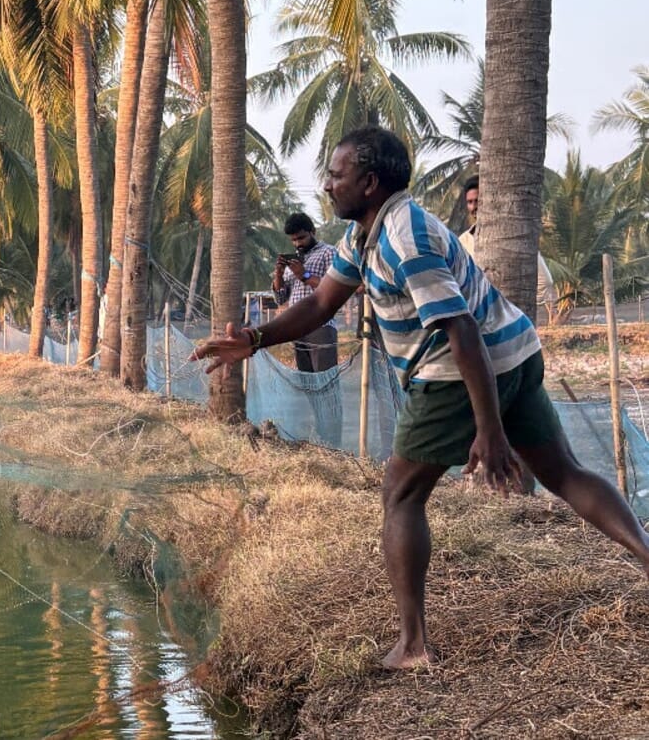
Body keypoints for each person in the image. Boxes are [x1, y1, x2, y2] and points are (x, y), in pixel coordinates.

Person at [191, 126, 649, 670]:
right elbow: (318, 306)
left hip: (460, 370)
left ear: (369, 182)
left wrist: (490, 431)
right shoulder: (364, 236)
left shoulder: (404, 237)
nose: (328, 185)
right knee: (566, 473)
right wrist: (255, 338)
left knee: (401, 495)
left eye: (337, 175)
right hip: (517, 352)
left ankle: (413, 646)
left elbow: (460, 329)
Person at [460, 175, 557, 323]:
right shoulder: (462, 242)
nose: (474, 207)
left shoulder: (514, 238)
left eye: (478, 201)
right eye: (470, 202)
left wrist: (514, 306)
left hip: (512, 320)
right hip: (478, 322)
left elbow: (545, 282)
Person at [273, 212, 339, 373]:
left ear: (313, 232)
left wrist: (305, 275)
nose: (297, 243)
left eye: (301, 238)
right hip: (297, 327)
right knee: (307, 382)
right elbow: (280, 298)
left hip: (320, 326)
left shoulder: (328, 252)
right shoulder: (293, 261)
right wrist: (279, 274)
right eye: (293, 240)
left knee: (325, 380)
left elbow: (335, 287)